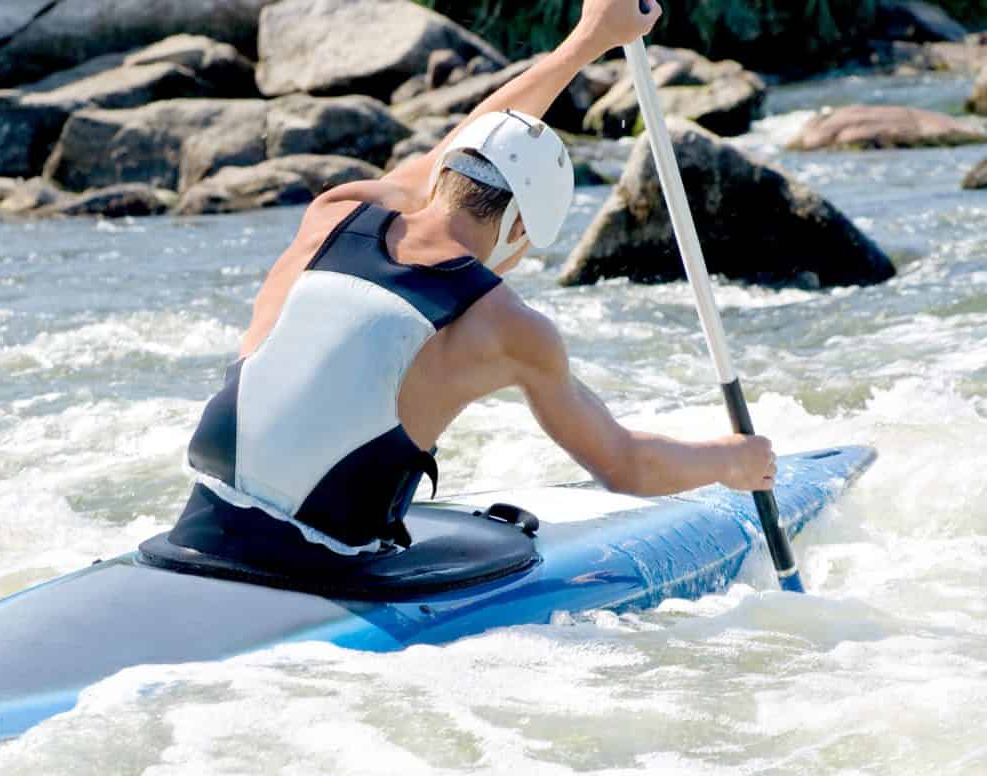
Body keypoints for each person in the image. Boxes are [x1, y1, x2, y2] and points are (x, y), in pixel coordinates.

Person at [170, 0, 775, 571]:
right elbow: (624, 465)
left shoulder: (337, 211)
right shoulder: (508, 327)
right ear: (518, 228)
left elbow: (462, 143)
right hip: (318, 562)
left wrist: (590, 39)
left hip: (201, 518)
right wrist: (732, 462)